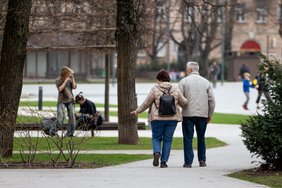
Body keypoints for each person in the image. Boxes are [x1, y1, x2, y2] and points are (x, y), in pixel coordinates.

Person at [131, 69, 188, 168]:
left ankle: (157, 152)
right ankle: (164, 162)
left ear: (159, 79)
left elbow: (146, 102)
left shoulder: (155, 88)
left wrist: (137, 111)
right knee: (168, 140)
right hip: (172, 119)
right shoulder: (175, 88)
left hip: (157, 118)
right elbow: (183, 102)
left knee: (156, 137)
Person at [178, 61, 215, 168]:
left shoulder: (183, 81)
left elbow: (179, 97)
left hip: (188, 114)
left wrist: (182, 105)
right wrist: (209, 114)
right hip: (203, 114)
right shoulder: (206, 82)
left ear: (190, 70)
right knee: (201, 137)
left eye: (186, 69)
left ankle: (188, 162)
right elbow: (212, 101)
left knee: (188, 138)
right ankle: (202, 160)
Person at [50, 66, 77, 137]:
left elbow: (74, 87)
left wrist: (73, 78)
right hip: (62, 101)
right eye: (69, 73)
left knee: (72, 117)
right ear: (65, 73)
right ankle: (52, 132)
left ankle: (69, 134)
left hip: (70, 100)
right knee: (60, 118)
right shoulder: (58, 80)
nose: (70, 75)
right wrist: (65, 81)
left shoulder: (70, 79)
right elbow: (60, 89)